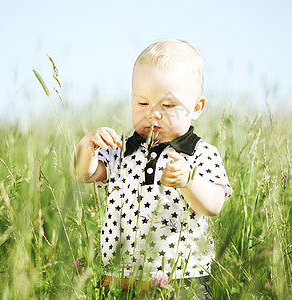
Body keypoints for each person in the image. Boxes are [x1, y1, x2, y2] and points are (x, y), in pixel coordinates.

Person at [71, 39, 232, 299]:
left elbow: (213, 205)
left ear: (196, 108)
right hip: (121, 279)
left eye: (167, 106)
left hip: (180, 281)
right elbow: (84, 173)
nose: (152, 114)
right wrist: (86, 147)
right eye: (142, 104)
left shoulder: (200, 153)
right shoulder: (121, 150)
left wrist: (189, 181)